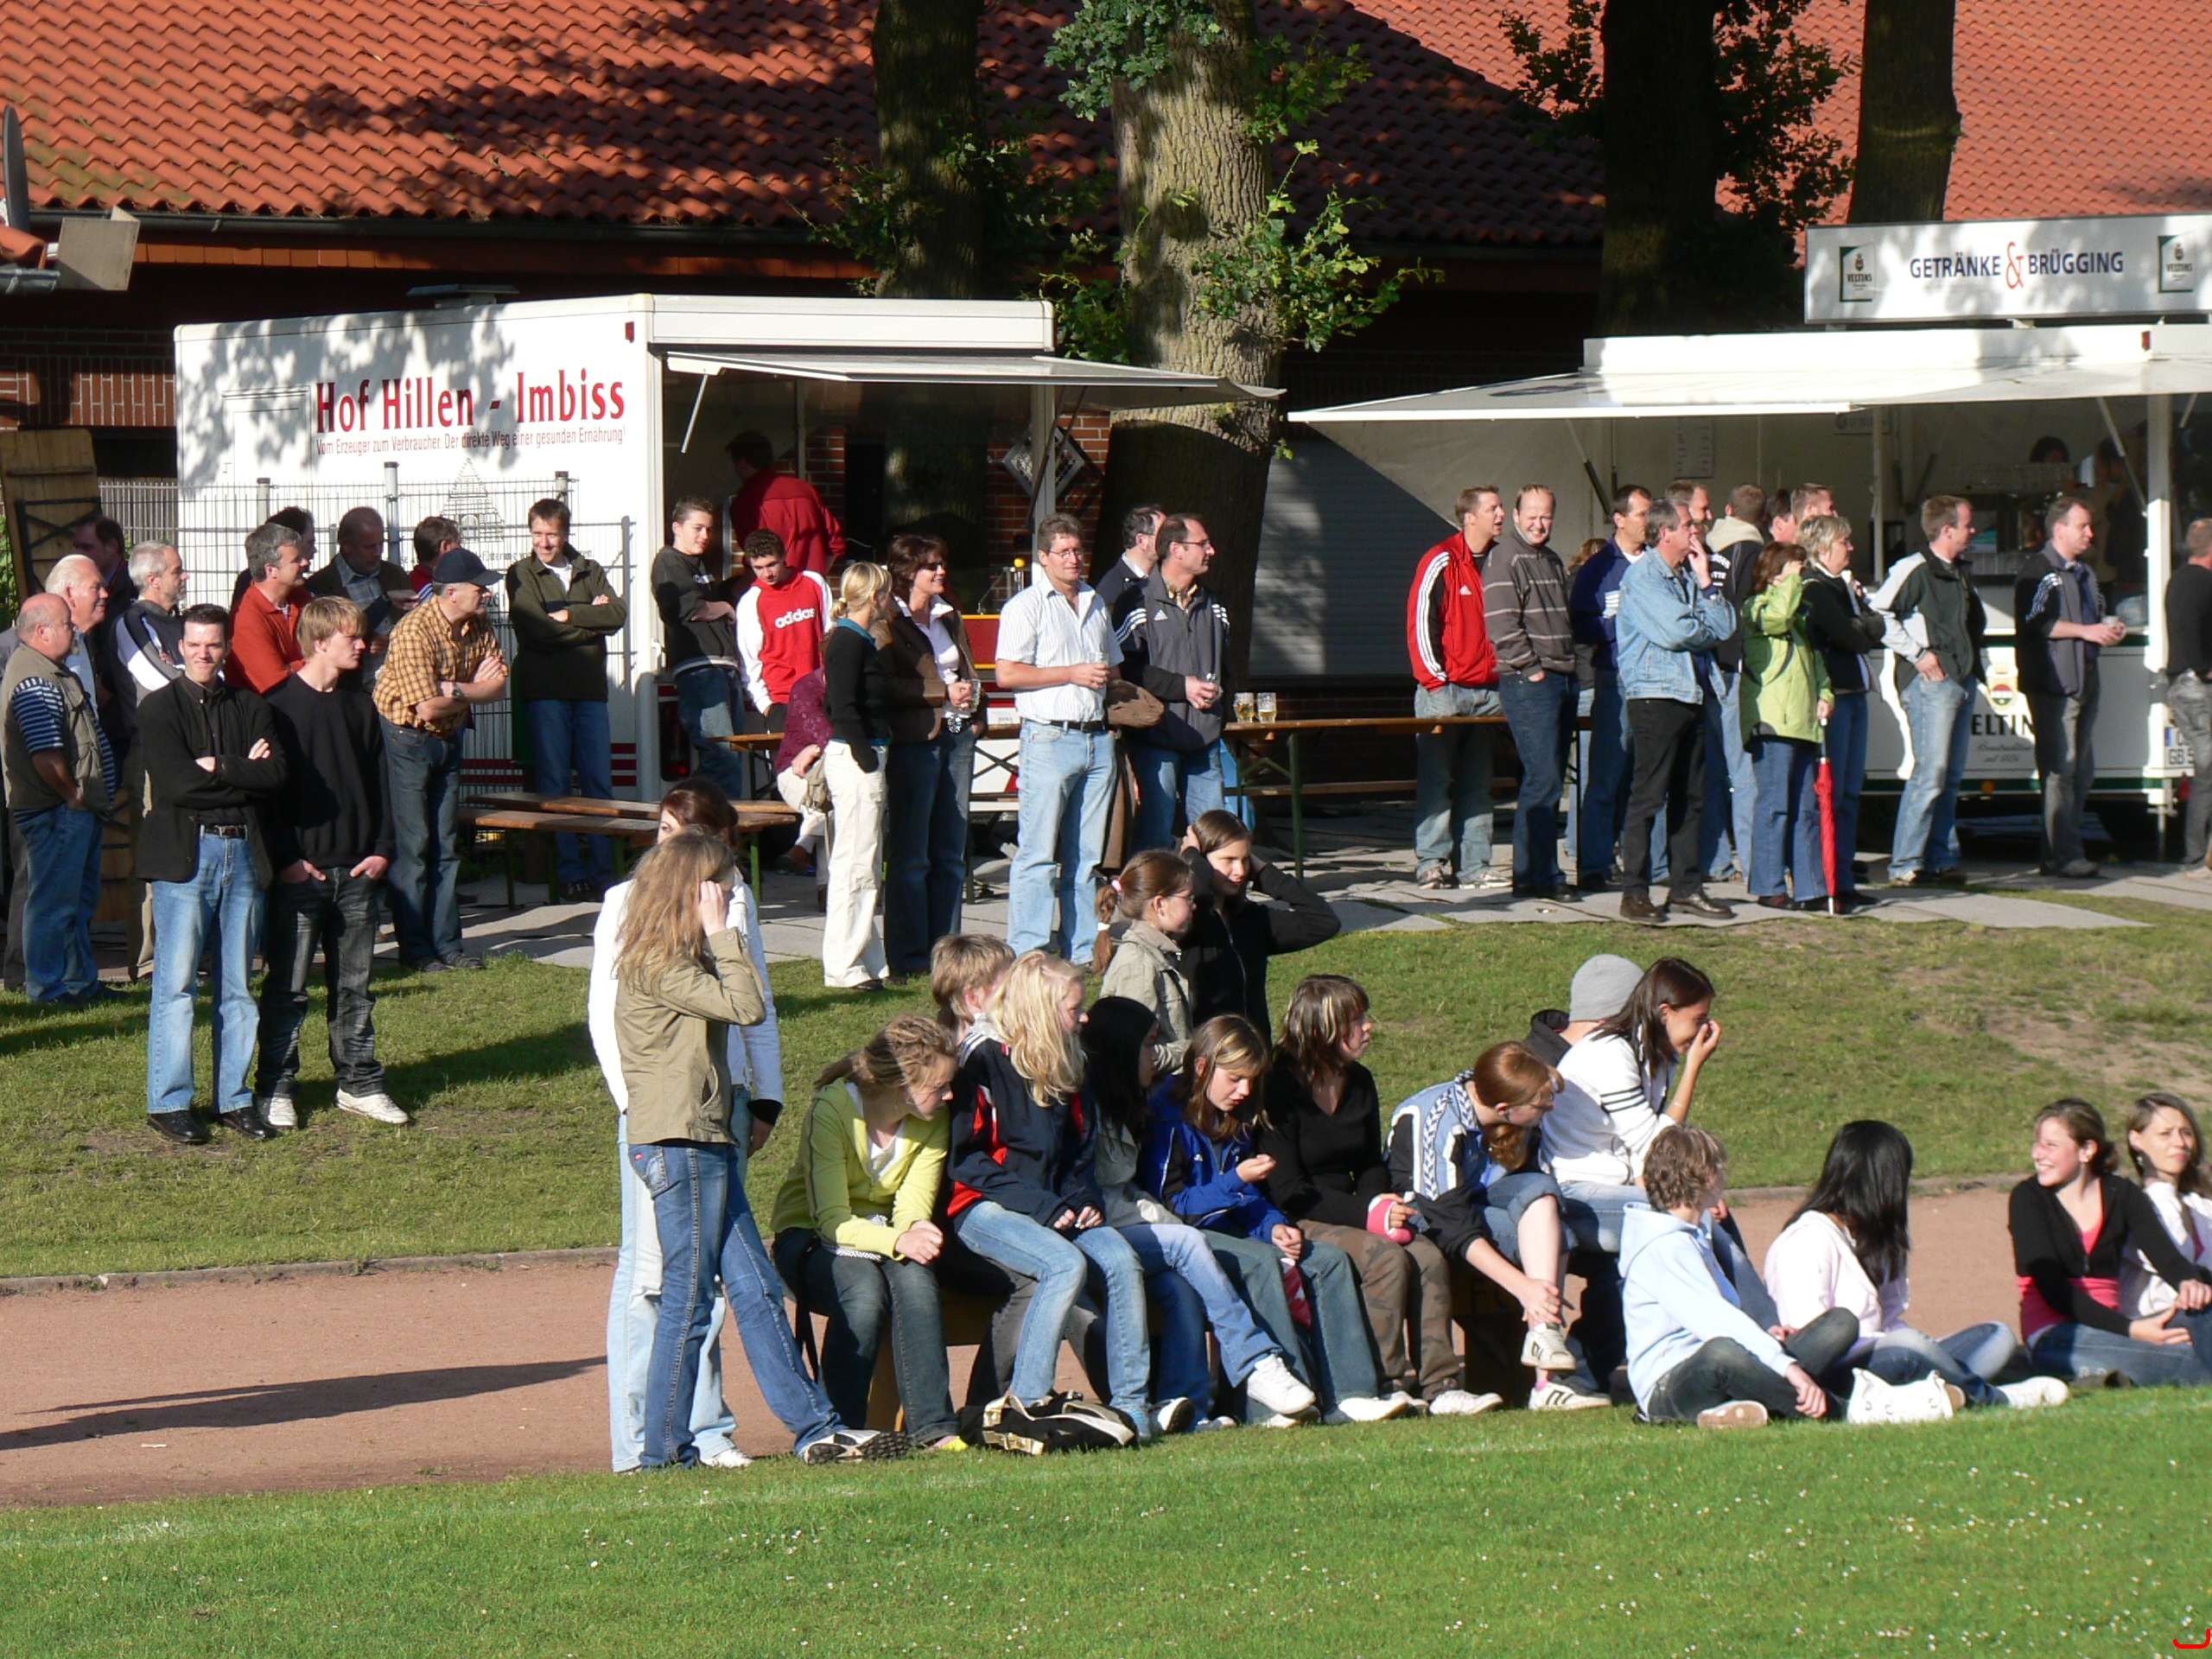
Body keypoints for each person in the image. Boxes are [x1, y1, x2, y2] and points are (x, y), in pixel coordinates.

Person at [613, 830, 895, 1465]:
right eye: (723, 887)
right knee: (689, 1301)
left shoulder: (676, 960)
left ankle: (816, 1427)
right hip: (682, 1144)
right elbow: (747, 1006)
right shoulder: (659, 965)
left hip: (705, 1141)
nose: (732, 896)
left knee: (756, 1286)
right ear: (693, 892)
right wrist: (723, 933)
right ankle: (663, 1454)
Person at [589, 781, 785, 1473]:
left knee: (711, 1278)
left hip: (720, 1105)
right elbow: (604, 1018)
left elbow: (757, 1002)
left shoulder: (731, 898)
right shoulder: (628, 902)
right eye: (664, 829)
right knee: (654, 1277)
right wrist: (635, 1105)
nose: (667, 842)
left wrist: (766, 1097)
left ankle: (708, 1430)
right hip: (660, 1114)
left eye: (684, 830)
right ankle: (640, 1439)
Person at [1141, 1014, 1414, 1425]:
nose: (1245, 1091)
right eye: (1235, 1079)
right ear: (1201, 1067)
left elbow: (1252, 1196)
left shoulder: (1240, 1116)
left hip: (1234, 1227)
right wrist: (1235, 1179)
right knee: (1262, 1263)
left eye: (1251, 1080)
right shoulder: (1167, 1119)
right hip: (1186, 1237)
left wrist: (1273, 1225)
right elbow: (1174, 1205)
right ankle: (1277, 1403)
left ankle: (1352, 1395)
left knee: (1329, 1262)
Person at [1082, 996, 1319, 1431]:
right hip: (1098, 1231)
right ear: (1121, 1048)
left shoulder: (1133, 1104)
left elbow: (1143, 1194)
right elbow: (1159, 1200)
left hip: (1137, 1226)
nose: (1157, 1056)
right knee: (1197, 1246)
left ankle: (1187, 1409)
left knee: (1181, 1288)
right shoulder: (1121, 1109)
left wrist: (1272, 1223)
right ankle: (1257, 1362)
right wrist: (1218, 1191)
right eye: (1148, 1045)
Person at [944, 951, 1153, 1445]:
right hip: (982, 1207)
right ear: (1040, 1008)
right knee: (1062, 1264)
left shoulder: (1070, 1060)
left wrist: (1084, 1198)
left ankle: (1133, 1407)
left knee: (1121, 1259)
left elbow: (1079, 1152)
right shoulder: (982, 1061)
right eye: (1074, 1008)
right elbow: (967, 1161)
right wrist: (1045, 1207)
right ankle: (1027, 1403)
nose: (1085, 1018)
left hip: (1053, 1206)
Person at [1764, 1121, 2066, 1410]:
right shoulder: (1808, 1240)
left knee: (1997, 1336)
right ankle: (1993, 1397)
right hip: (1838, 1371)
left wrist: (1919, 1349)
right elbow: (1815, 1338)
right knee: (1910, 1346)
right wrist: (1903, 1347)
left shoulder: (1871, 1235)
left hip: (1888, 1352)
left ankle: (1925, 1390)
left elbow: (1890, 1318)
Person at [770, 1016, 967, 1452]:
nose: (950, 1095)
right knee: (861, 1291)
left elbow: (911, 1206)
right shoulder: (832, 1110)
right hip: (809, 1234)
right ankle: (839, 1431)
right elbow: (832, 1221)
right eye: (939, 1086)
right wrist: (898, 1241)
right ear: (902, 1086)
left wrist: (914, 1229)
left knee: (917, 1279)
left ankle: (934, 1428)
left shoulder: (932, 1118)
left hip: (881, 1232)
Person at [1545, 957, 1773, 1327]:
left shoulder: (1655, 1054)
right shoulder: (1611, 1053)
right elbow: (1654, 1147)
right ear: (1665, 1012)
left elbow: (1645, 1158)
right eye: (1698, 1019)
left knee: (1707, 1213)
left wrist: (1692, 1189)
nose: (1703, 1030)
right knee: (1687, 1219)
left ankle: (1757, 1328)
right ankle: (1762, 1328)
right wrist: (1694, 1066)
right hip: (1575, 1195)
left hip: (1617, 1188)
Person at [137, 603, 286, 1146]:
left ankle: (235, 1100)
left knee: (238, 987)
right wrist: (244, 771)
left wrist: (219, 766)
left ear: (226, 649)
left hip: (243, 854)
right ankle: (170, 1102)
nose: (204, 653)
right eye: (195, 644)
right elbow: (175, 785)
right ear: (180, 648)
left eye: (214, 644)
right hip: (186, 856)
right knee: (176, 986)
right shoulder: (158, 708)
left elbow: (276, 775)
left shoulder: (251, 706)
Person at [1259, 975, 1443, 1412]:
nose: (1368, 1027)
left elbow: (1369, 1163)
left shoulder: (1359, 1080)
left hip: (1358, 1212)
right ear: (1322, 1029)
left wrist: (1381, 1203)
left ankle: (1442, 1385)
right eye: (1356, 1020)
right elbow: (1288, 1190)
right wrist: (1370, 1215)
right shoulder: (1278, 1088)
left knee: (1428, 1256)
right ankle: (1383, 1383)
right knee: (1386, 1258)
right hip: (1302, 1216)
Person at [1389, 1042, 1606, 1411]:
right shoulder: (1437, 1117)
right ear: (1504, 1108)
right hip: (1427, 1220)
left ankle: (1544, 1346)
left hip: (1478, 1205)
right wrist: (1525, 1289)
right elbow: (1451, 1224)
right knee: (1560, 1237)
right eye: (1541, 1106)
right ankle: (1547, 1380)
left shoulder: (1503, 1112)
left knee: (1542, 1193)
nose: (1550, 1109)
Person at [253, 598, 404, 1131]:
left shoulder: (361, 706)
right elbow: (265, 797)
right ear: (319, 642)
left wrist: (383, 848)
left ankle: (360, 1084)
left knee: (356, 988)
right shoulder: (275, 707)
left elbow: (382, 783)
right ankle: (275, 1087)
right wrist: (286, 861)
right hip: (300, 876)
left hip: (359, 872)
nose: (362, 645)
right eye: (351, 637)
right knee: (287, 990)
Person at [1624, 1124, 1856, 1428]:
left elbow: (1729, 1317)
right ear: (1706, 1176)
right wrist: (1787, 1366)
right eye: (1720, 1168)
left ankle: (1742, 1406)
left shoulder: (1695, 1234)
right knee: (1722, 1354)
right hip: (1672, 1385)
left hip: (1729, 1359)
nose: (1724, 1176)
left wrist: (1766, 1338)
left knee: (1840, 1324)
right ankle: (1845, 1410)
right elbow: (1718, 1321)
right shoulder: (1664, 1248)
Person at [2010, 1099, 2212, 1387]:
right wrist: (2131, 1329)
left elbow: (2166, 1257)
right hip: (2059, 1337)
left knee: (2204, 1311)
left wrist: (2189, 1283)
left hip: (2118, 1331)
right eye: (2038, 1144)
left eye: (2050, 1146)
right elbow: (2054, 1289)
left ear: (2087, 1150)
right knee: (2186, 1360)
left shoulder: (2122, 1193)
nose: (2037, 1154)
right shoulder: (2027, 1198)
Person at [372, 548, 507, 972]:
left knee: (446, 844)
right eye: (479, 587)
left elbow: (501, 685)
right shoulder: (414, 630)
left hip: (449, 736)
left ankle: (448, 945)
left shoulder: (478, 622)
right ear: (451, 593)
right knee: (414, 846)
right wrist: (468, 690)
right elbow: (426, 708)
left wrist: (453, 689)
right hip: (406, 738)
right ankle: (416, 950)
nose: (487, 593)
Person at [996, 513, 1122, 958]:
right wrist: (1071, 673)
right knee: (1038, 852)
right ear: (1044, 557)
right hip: (1050, 738)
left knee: (1086, 855)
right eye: (1063, 552)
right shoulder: (1025, 606)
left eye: (1077, 550)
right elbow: (1008, 673)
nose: (1073, 559)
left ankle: (1082, 947)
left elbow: (1114, 667)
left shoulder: (1095, 601)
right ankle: (1028, 950)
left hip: (1097, 738)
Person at [1614, 498, 1735, 923]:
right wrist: (1703, 628)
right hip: (1656, 697)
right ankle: (1635, 892)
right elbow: (1678, 632)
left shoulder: (1686, 576)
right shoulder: (1644, 577)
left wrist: (1705, 582)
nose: (1695, 531)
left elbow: (1725, 626)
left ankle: (1685, 887)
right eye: (1687, 525)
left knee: (1692, 797)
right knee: (1648, 797)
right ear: (1664, 532)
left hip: (1693, 694)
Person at [505, 496, 628, 901]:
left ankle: (605, 874)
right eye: (537, 534)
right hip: (545, 694)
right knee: (556, 786)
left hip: (589, 692)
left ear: (565, 533)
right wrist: (591, 622)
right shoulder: (521, 574)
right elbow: (534, 629)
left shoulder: (590, 570)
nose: (544, 543)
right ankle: (570, 874)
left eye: (552, 535)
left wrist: (569, 614)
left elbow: (618, 614)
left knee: (598, 785)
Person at [2, 593, 115, 1005]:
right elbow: (45, 754)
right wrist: (73, 795)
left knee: (75, 902)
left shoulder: (48, 670)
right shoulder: (35, 678)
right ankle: (47, 989)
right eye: (68, 624)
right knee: (53, 903)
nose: (75, 629)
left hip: (65, 809)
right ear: (42, 631)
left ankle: (79, 982)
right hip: (57, 810)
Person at [1870, 496, 1985, 889]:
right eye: (1968, 524)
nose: (1974, 530)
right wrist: (1918, 655)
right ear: (1947, 529)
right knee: (1931, 774)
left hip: (1959, 678)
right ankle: (1905, 862)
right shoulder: (1915, 568)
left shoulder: (1957, 570)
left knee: (1948, 776)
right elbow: (1879, 613)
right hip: (1932, 683)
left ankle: (1939, 859)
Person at [880, 533, 979, 975]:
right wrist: (941, 692)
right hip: (915, 740)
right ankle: (909, 956)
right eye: (931, 566)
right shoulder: (889, 619)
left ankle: (948, 953)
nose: (941, 571)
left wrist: (977, 710)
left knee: (951, 852)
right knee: (912, 854)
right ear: (908, 572)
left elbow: (967, 667)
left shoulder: (947, 614)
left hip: (958, 735)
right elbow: (885, 684)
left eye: (942, 563)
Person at [2017, 496, 2125, 877]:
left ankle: (2061, 852)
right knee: (2060, 770)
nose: (2091, 534)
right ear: (2059, 529)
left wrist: (2108, 630)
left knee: (2082, 771)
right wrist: (2086, 631)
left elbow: (2095, 615)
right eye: (2083, 526)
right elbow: (2034, 622)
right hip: (2054, 682)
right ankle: (2063, 855)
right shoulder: (2039, 570)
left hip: (2085, 676)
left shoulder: (2084, 572)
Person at [1407, 486, 1504, 891]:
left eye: (1501, 508)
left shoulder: (1503, 560)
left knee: (1479, 785)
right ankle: (1431, 863)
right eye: (1493, 508)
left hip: (1491, 691)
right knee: (1437, 781)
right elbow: (1420, 622)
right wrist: (1436, 682)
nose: (1501, 515)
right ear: (1469, 516)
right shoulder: (1442, 559)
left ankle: (1475, 866)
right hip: (1444, 690)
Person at [1119, 513, 1233, 852]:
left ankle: (1209, 888)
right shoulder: (1136, 601)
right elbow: (1128, 670)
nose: (1211, 550)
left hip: (1205, 737)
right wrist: (1183, 687)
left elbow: (1226, 666)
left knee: (1215, 837)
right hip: (1156, 736)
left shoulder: (1213, 603)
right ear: (1176, 549)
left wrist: (1221, 701)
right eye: (1203, 544)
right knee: (1156, 836)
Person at [1484, 484, 1576, 897]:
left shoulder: (1551, 560)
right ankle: (1542, 876)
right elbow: (1503, 627)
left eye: (1547, 516)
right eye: (1532, 516)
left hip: (1562, 677)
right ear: (1517, 516)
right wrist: (1533, 669)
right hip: (1531, 682)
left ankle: (1531, 875)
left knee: (1547, 779)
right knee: (1544, 779)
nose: (1540, 524)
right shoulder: (1505, 558)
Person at [1177, 809, 1338, 1034]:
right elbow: (1199, 898)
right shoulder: (1187, 924)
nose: (1240, 871)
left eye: (1246, 860)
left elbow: (1323, 921)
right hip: (1208, 1050)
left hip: (1255, 1049)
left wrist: (1263, 872)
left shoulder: (1251, 918)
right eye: (1229, 860)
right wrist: (1191, 859)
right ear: (1202, 863)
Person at [1798, 513, 1889, 914]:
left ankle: (1847, 879)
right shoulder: (1816, 588)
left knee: (1851, 792)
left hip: (1856, 695)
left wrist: (1861, 623)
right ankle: (1828, 880)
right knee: (1830, 795)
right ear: (1822, 549)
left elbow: (1877, 626)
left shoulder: (1845, 587)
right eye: (1844, 542)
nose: (1851, 549)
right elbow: (1851, 636)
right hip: (1833, 697)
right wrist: (1860, 627)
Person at [1739, 541, 1834, 910]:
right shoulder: (1756, 607)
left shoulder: (1800, 619)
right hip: (1773, 723)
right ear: (1775, 573)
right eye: (1795, 569)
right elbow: (1776, 619)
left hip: (1804, 722)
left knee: (1806, 809)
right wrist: (1790, 582)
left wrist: (1826, 693)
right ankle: (1769, 886)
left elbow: (1816, 663)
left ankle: (1811, 889)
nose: (1801, 576)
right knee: (1775, 805)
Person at [1568, 484, 1653, 892]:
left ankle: (1638, 862)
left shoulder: (1658, 561)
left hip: (1654, 680)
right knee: (1605, 775)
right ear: (1619, 519)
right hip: (1615, 678)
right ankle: (1594, 865)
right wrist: (1616, 622)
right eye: (1642, 514)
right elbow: (1580, 625)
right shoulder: (1599, 569)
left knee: (1642, 779)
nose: (1649, 522)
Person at [110, 540, 188, 980]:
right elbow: (158, 679)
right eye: (177, 570)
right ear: (153, 579)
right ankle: (148, 961)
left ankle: (189, 953)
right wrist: (195, 679)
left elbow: (210, 671)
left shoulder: (179, 623)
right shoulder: (131, 622)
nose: (185, 576)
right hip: (151, 753)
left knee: (188, 850)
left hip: (189, 749)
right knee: (150, 856)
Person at [820, 561, 893, 992]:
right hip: (856, 758)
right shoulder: (849, 640)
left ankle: (866, 958)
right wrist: (866, 757)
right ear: (875, 596)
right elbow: (841, 705)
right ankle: (844, 966)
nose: (890, 601)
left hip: (862, 754)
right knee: (856, 863)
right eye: (887, 593)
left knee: (863, 861)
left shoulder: (857, 639)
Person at [652, 495, 747, 801]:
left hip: (721, 667)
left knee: (731, 754)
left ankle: (698, 814)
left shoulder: (697, 564)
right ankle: (693, 815)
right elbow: (691, 608)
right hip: (701, 669)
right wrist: (726, 608)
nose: (705, 536)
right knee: (722, 756)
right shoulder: (669, 561)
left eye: (709, 529)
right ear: (676, 528)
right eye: (698, 528)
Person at [1696, 485, 1764, 885]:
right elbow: (1745, 611)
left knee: (1714, 769)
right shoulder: (1753, 551)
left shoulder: (1707, 547)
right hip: (1735, 666)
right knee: (1743, 773)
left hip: (1707, 662)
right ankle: (1755, 866)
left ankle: (1715, 860)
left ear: (1727, 510)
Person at [1096, 849, 1198, 1074]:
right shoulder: (1138, 965)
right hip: (1155, 1089)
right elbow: (1132, 1050)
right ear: (1160, 904)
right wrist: (1192, 1052)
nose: (1194, 905)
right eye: (1188, 898)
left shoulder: (1159, 953)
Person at [2121, 1094, 2212, 1323]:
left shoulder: (2201, 1207)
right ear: (2136, 1139)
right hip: (2154, 1324)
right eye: (2166, 1133)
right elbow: (2179, 1253)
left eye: (2186, 1132)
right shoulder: (2134, 1206)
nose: (2180, 1142)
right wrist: (2161, 1187)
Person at [734, 529, 834, 732]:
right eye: (758, 568)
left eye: (772, 564)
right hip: (781, 700)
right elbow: (749, 661)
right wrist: (767, 706)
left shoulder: (813, 583)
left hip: (821, 695)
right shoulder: (751, 601)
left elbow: (831, 634)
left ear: (784, 556)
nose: (767, 573)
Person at [305, 505, 416, 683]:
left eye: (381, 544)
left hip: (402, 683)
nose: (377, 552)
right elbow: (328, 639)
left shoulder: (395, 575)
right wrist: (367, 638)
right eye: (369, 546)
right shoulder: (322, 586)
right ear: (347, 545)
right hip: (353, 687)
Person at [2161, 519, 2212, 875]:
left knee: (2206, 770)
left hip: (2181, 685)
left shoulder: (2178, 580)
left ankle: (2198, 853)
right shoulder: (2204, 583)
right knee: (2209, 770)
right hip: (2198, 686)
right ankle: (2198, 855)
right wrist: (2205, 669)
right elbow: (2193, 631)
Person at [725, 429, 846, 576]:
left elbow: (756, 556)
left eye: (735, 465)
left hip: (776, 586)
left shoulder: (745, 501)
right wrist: (815, 579)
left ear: (743, 464)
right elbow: (835, 543)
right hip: (813, 585)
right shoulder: (805, 489)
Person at [771, 667, 830, 906]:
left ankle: (802, 848)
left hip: (828, 776)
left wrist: (815, 749)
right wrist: (818, 747)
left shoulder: (857, 685)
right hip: (794, 771)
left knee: (828, 807)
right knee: (826, 807)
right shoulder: (807, 688)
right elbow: (826, 734)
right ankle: (827, 890)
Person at [227, 520, 308, 695]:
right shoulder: (247, 618)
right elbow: (275, 685)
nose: (305, 562)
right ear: (271, 570)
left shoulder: (301, 598)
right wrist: (314, 662)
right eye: (296, 560)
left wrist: (292, 668)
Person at [1090, 502, 1166, 624]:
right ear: (1142, 541)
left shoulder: (1166, 578)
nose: (1171, 540)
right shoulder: (1112, 590)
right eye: (1163, 535)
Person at [410, 515, 461, 594]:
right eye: (458, 543)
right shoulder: (436, 591)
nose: (460, 549)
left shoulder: (409, 582)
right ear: (445, 546)